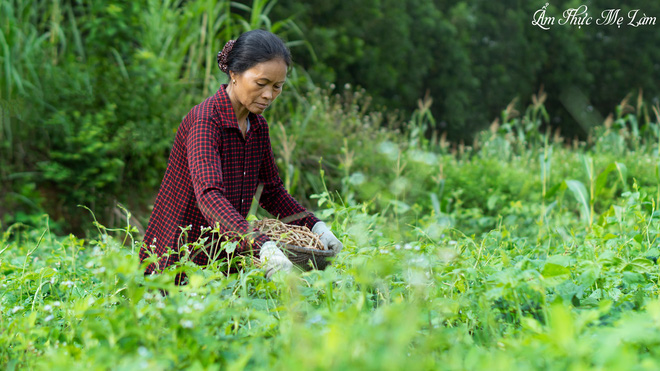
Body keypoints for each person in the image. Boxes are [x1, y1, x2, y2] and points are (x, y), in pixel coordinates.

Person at [139, 29, 342, 280]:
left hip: (223, 258)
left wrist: (315, 226)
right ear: (234, 74)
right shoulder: (206, 121)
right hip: (177, 259)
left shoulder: (257, 127)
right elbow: (209, 196)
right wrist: (261, 244)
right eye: (261, 84)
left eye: (277, 86)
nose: (269, 95)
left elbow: (272, 192)